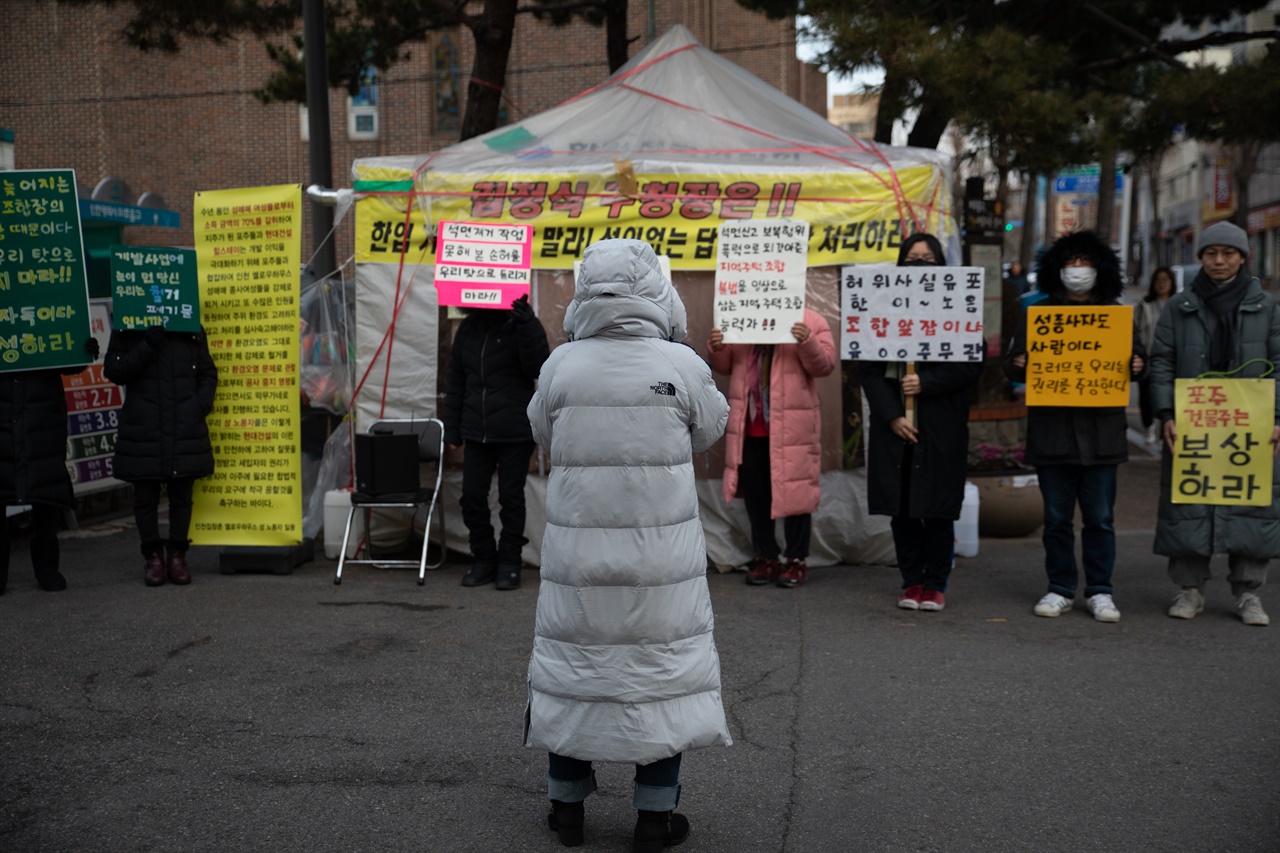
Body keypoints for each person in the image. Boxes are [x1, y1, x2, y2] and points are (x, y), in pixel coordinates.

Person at [525, 239, 730, 851]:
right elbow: (710, 429)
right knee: (657, 671)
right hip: (658, 560)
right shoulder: (681, 363)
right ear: (655, 291)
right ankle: (654, 817)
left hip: (576, 558)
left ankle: (566, 810)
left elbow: (542, 432)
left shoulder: (561, 364)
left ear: (587, 291)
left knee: (574, 666)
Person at [1004, 230, 1146, 622]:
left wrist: (1138, 365)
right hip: (1053, 433)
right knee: (1056, 519)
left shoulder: (1115, 315)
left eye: (1085, 262)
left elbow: (1139, 361)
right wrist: (1019, 363)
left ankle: (1101, 590)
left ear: (1100, 268)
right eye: (1071, 262)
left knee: (1100, 518)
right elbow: (1013, 363)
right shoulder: (1039, 315)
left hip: (1101, 435)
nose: (1078, 270)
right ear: (1057, 269)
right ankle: (1060, 587)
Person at [1150, 221, 1280, 627]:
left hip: (1251, 423)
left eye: (1228, 253)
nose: (1219, 261)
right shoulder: (1181, 305)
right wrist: (1166, 414)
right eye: (1210, 254)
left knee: (1252, 503)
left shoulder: (1268, 306)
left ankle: (1249, 593)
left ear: (1243, 257)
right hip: (1194, 420)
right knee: (1190, 502)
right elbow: (1162, 361)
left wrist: (1277, 417)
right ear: (1200, 257)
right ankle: (1189, 589)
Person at [862, 234, 983, 612]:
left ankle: (936, 583)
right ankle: (911, 581)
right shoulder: (882, 309)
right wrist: (892, 415)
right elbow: (867, 369)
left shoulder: (959, 308)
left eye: (927, 258)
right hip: (895, 427)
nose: (919, 264)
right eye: (912, 258)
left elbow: (969, 366)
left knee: (938, 508)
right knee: (902, 508)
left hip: (940, 425)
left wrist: (927, 383)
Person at [706, 292, 836, 588]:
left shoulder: (810, 320)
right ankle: (766, 557)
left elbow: (825, 365)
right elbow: (725, 366)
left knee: (796, 494)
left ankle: (796, 560)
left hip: (793, 429)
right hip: (750, 428)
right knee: (756, 496)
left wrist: (807, 341)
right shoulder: (740, 315)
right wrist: (717, 346)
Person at [443, 294, 550, 591]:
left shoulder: (520, 324)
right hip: (477, 430)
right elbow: (455, 382)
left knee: (511, 498)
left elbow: (538, 366)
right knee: (472, 497)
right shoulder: (467, 329)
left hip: (515, 429)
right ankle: (484, 558)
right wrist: (451, 430)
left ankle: (509, 562)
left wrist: (527, 323)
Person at [104, 324, 218, 586]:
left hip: (183, 424)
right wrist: (147, 344)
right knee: (145, 496)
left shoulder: (188, 324)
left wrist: (198, 406)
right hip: (143, 427)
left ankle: (178, 556)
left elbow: (207, 372)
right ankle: (152, 558)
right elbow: (114, 370)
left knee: (181, 495)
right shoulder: (128, 324)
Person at [0, 338, 100, 594]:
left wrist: (80, 350)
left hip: (42, 414)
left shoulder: (46, 301)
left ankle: (47, 568)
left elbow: (68, 366)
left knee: (47, 492)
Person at [1135, 267, 1175, 445]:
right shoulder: (1144, 305)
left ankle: (1163, 429)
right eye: (1158, 279)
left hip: (1171, 358)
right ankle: (1149, 427)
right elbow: (1134, 331)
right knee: (1146, 395)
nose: (1162, 283)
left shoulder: (1178, 303)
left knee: (1168, 394)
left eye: (1166, 279)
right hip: (1148, 356)